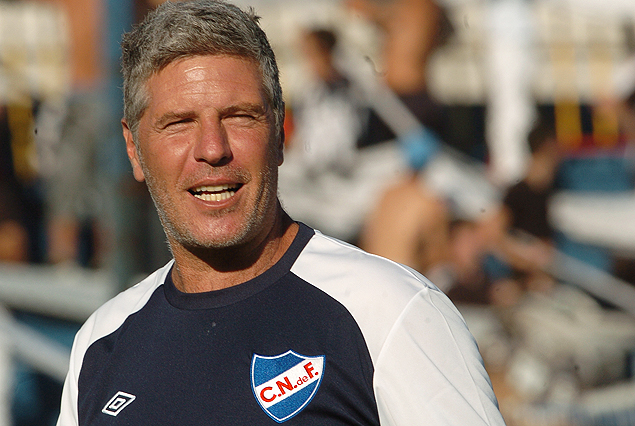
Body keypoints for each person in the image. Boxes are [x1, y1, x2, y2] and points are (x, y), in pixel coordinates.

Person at [56, 1, 505, 425]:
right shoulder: (101, 342)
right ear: (133, 149)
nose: (212, 149)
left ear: (279, 133)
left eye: (239, 116)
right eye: (179, 123)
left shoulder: (390, 312)